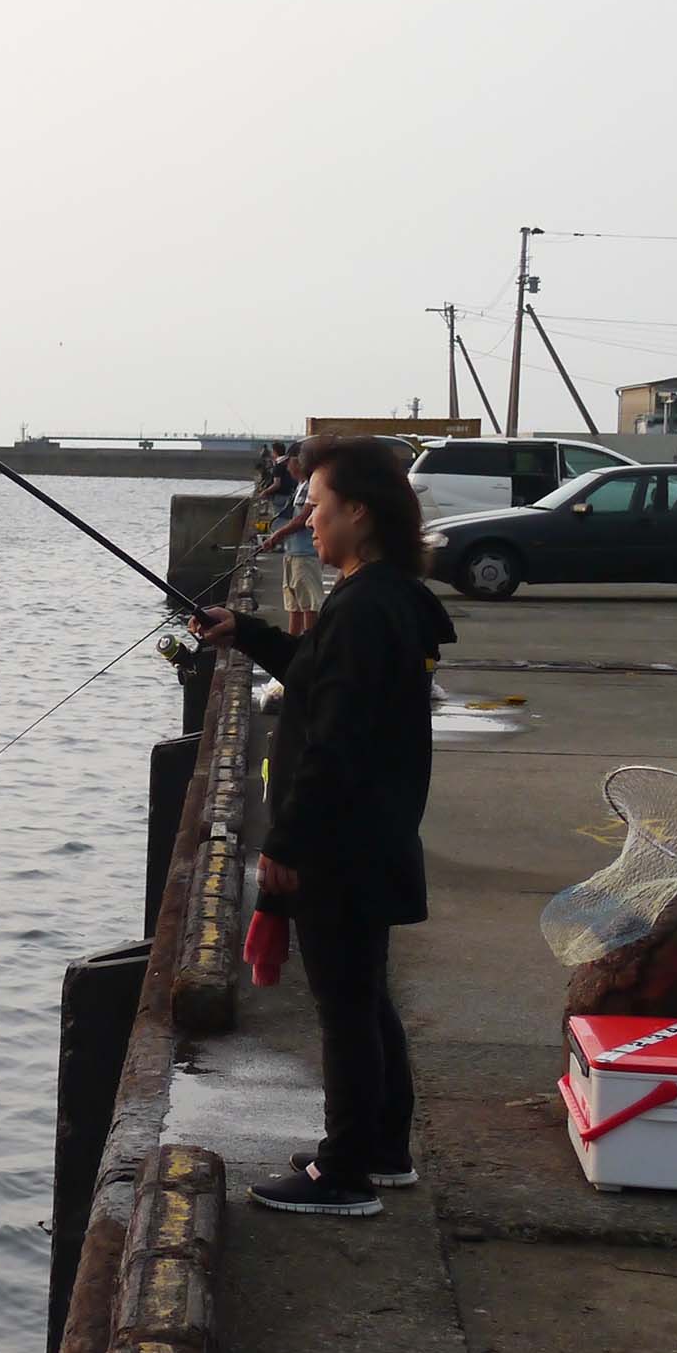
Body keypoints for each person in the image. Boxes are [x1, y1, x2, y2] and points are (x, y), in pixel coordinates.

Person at [193, 436, 456, 1217]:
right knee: (365, 996)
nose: (307, 517)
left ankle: (344, 1175)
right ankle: (382, 1148)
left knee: (345, 1008)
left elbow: (336, 743)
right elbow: (322, 677)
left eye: (318, 504)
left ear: (359, 513)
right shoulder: (385, 597)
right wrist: (247, 632)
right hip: (372, 836)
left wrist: (286, 844)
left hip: (342, 844)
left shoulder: (366, 608)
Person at [259, 438, 326, 635]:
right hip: (292, 553)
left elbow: (302, 519)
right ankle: (292, 643)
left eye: (289, 462)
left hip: (306, 554)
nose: (287, 467)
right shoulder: (301, 486)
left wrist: (277, 536)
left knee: (309, 605)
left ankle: (309, 645)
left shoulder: (311, 487)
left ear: (299, 462)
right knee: (293, 604)